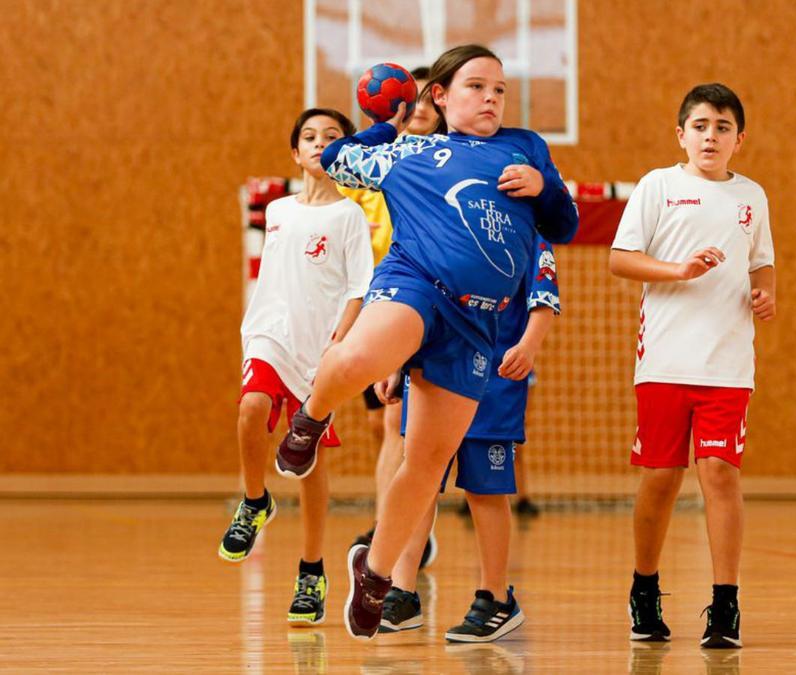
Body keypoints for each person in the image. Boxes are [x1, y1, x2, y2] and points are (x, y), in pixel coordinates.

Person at [270, 44, 578, 641]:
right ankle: (308, 421)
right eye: (476, 87)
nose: (491, 98)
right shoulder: (405, 150)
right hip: (415, 285)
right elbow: (336, 159)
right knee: (358, 357)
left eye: (499, 89)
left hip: (478, 325)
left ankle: (378, 575)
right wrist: (387, 121)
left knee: (427, 463)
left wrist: (542, 186)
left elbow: (562, 225)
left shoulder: (524, 148)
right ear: (439, 96)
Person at [609, 83, 775, 649]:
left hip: (728, 364)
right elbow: (620, 259)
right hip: (665, 360)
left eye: (723, 127)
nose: (711, 136)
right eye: (700, 126)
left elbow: (762, 265)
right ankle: (645, 589)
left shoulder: (752, 196)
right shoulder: (659, 185)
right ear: (681, 134)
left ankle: (725, 605)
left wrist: (764, 294)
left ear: (739, 139)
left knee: (721, 475)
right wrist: (678, 271)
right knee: (660, 477)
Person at [218, 108, 374, 627]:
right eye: (309, 137)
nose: (318, 144)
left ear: (344, 154)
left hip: (318, 355)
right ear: (295, 152)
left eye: (331, 137)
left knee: (308, 467)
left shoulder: (350, 216)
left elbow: (358, 286)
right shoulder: (279, 211)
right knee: (250, 410)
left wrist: (342, 338)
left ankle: (311, 570)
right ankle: (254, 500)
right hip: (268, 338)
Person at [376, 235, 559, 640]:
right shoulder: (438, 221)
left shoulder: (526, 230)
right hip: (431, 370)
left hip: (494, 375)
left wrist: (529, 345)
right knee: (419, 477)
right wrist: (397, 359)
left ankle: (496, 597)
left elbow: (544, 299)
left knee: (485, 489)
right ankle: (402, 592)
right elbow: (413, 300)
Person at [343, 66, 442, 567]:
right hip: (376, 306)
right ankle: (397, 523)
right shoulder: (370, 168)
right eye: (410, 98)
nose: (419, 106)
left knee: (407, 424)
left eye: (429, 98)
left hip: (433, 304)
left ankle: (403, 527)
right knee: (387, 424)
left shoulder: (447, 166)